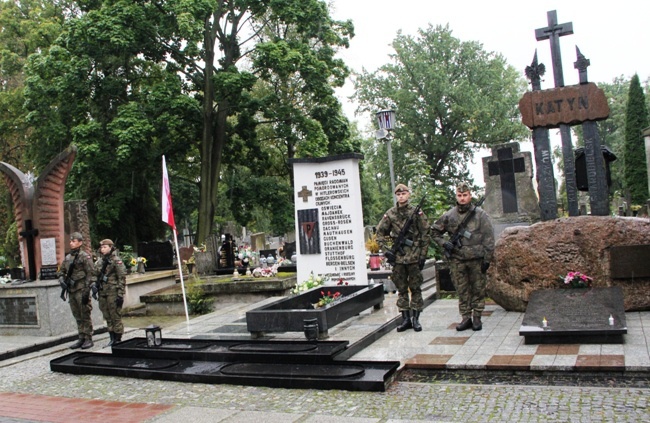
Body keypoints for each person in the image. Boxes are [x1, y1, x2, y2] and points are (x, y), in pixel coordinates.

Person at [431, 182, 495, 331]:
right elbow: (434, 232)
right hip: (457, 259)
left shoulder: (480, 215)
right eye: (459, 196)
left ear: (470, 195)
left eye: (465, 195)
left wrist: (487, 259)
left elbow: (489, 238)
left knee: (478, 289)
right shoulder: (449, 215)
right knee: (462, 290)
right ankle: (466, 317)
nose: (462, 198)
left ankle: (477, 317)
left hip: (476, 259)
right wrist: (444, 243)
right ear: (456, 196)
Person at [375, 183, 430, 332]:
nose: (401, 196)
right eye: (398, 194)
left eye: (403, 193)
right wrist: (387, 251)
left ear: (408, 194)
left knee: (416, 288)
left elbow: (426, 234)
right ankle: (405, 319)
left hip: (413, 257)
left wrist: (422, 255)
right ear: (396, 196)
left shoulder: (416, 213)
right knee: (401, 289)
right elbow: (380, 234)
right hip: (398, 259)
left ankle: (416, 319)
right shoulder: (391, 214)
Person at [59, 232, 95, 349]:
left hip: (81, 289)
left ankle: (88, 338)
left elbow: (91, 273)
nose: (71, 243)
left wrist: (86, 289)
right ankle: (81, 337)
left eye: (74, 241)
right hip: (72, 290)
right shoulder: (68, 257)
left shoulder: (84, 256)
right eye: (70, 241)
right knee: (77, 315)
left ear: (80, 243)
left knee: (84, 314)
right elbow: (60, 271)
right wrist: (61, 280)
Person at [91, 239, 126, 347]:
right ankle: (111, 337)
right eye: (101, 247)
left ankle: (118, 338)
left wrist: (120, 294)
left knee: (115, 315)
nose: (102, 249)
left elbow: (121, 278)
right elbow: (94, 274)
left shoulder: (116, 261)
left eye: (105, 247)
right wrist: (93, 285)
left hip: (113, 292)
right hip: (103, 292)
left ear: (111, 247)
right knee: (107, 316)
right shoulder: (99, 262)